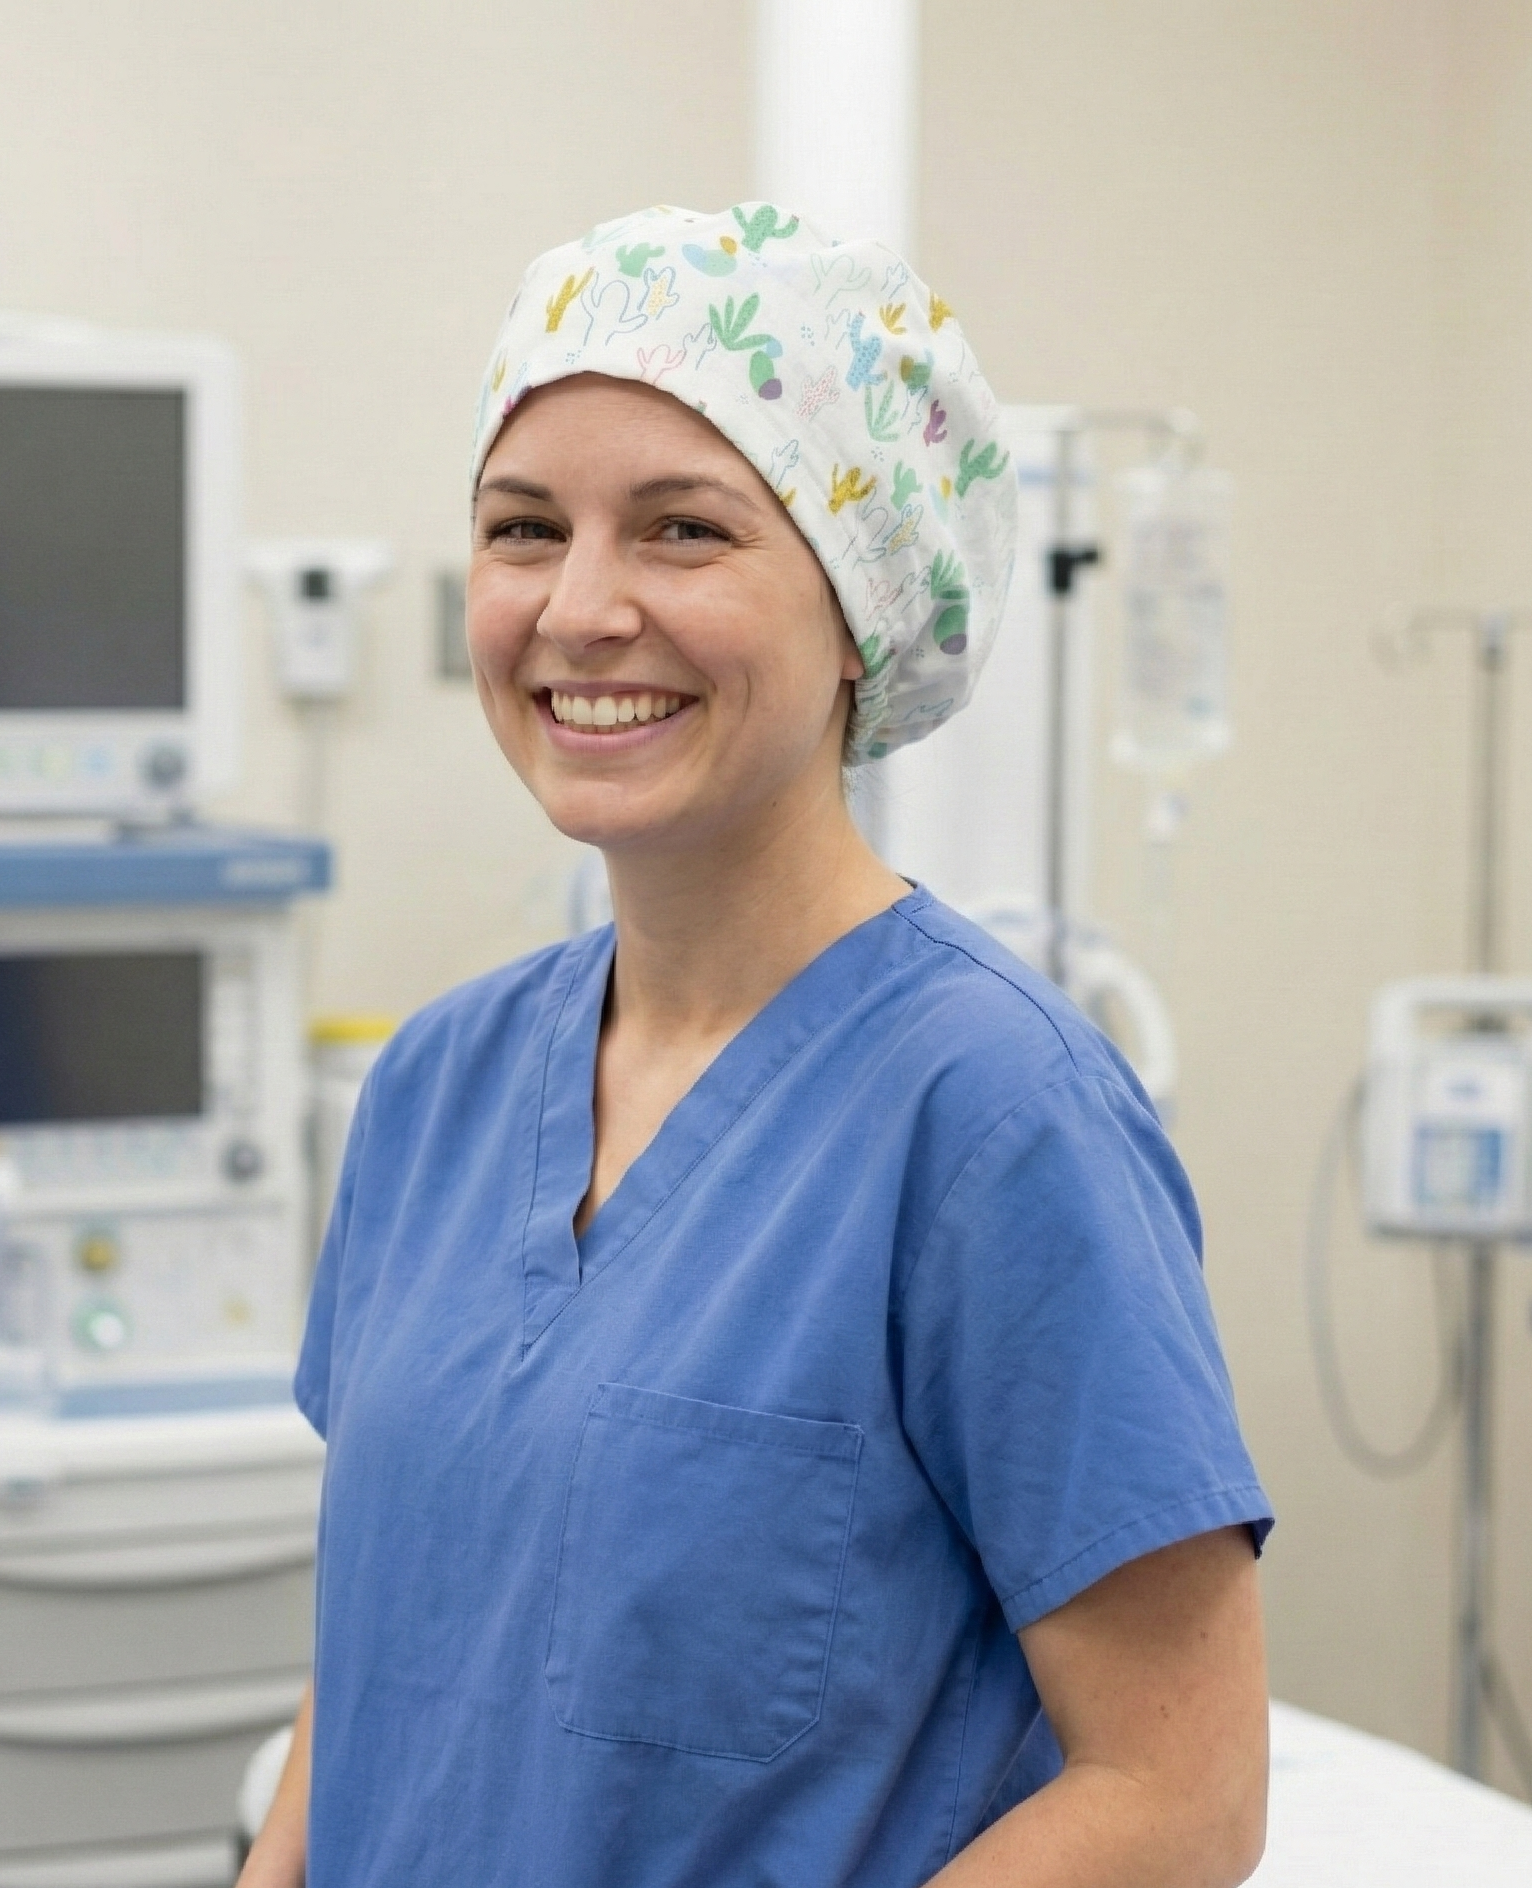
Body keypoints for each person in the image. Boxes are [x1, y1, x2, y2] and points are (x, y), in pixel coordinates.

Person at [240, 204, 1273, 1888]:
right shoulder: (436, 1086)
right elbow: (379, 1662)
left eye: (683, 531)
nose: (580, 607)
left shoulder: (997, 1121)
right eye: (523, 529)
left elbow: (1177, 1797)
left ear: (863, 603)